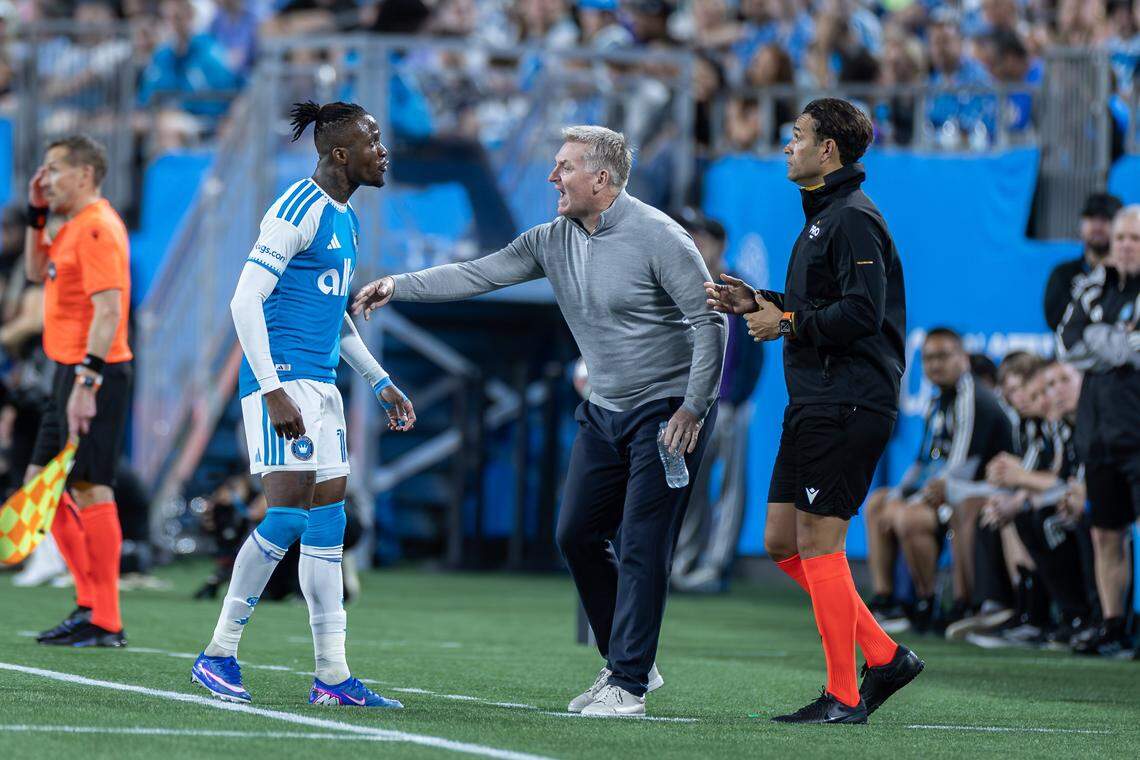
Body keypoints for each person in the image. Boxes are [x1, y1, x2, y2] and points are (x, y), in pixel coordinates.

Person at [351, 125, 726, 717]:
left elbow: (712, 324)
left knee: (642, 544)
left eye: (565, 167)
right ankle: (629, 662)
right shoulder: (551, 239)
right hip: (603, 409)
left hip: (665, 410)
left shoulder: (661, 237)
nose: (553, 177)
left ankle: (626, 685)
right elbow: (478, 274)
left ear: (601, 180)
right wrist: (400, 285)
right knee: (575, 534)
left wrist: (694, 406)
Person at [190, 101, 417, 707]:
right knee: (287, 516)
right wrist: (272, 390)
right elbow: (245, 301)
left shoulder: (346, 218)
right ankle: (217, 655)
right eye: (373, 141)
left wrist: (378, 380)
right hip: (282, 383)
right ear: (340, 153)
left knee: (328, 526)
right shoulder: (298, 209)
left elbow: (335, 315)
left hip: (322, 387)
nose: (383, 150)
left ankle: (333, 676)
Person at [706, 98, 915, 724]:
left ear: (829, 149)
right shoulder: (824, 215)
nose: (787, 145)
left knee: (823, 546)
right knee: (780, 541)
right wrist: (759, 301)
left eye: (796, 135)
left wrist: (788, 319)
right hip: (815, 398)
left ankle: (844, 694)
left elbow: (862, 313)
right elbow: (820, 302)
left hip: (849, 399)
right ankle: (883, 654)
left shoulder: (852, 217)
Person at [24, 135, 133, 648]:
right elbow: (32, 271)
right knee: (43, 488)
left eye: (54, 170)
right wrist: (35, 213)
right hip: (67, 370)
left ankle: (105, 618)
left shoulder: (97, 229)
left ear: (85, 174)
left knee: (91, 486)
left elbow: (109, 310)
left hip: (97, 373)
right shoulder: (69, 226)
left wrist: (87, 383)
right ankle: (90, 606)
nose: (46, 179)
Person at [864, 329, 1014, 635]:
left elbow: (960, 465)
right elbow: (923, 461)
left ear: (963, 358)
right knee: (878, 502)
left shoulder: (972, 396)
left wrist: (912, 500)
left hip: (975, 492)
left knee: (909, 516)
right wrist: (899, 493)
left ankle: (927, 600)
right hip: (943, 490)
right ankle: (886, 599)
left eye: (943, 356)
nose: (935, 365)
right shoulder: (938, 400)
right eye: (928, 358)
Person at [1056, 205, 1140, 658]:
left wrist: (1105, 340)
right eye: (1121, 239)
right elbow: (1067, 344)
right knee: (1106, 533)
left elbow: (1135, 351)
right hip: (1099, 433)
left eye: (1136, 239)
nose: (1125, 246)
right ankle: (1113, 627)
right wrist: (1117, 341)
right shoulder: (1094, 287)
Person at [669, 207, 762, 593]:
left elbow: (754, 349)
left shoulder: (736, 286)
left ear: (719, 244)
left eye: (701, 237)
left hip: (728, 404)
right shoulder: (682, 283)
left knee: (730, 488)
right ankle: (684, 562)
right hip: (694, 406)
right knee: (689, 485)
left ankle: (717, 564)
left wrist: (738, 398)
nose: (695, 243)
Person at [1043, 193, 1123, 332]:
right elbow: (1057, 321)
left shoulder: (1129, 277)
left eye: (1105, 219)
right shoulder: (1063, 274)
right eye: (1091, 218)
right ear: (1081, 224)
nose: (1097, 226)